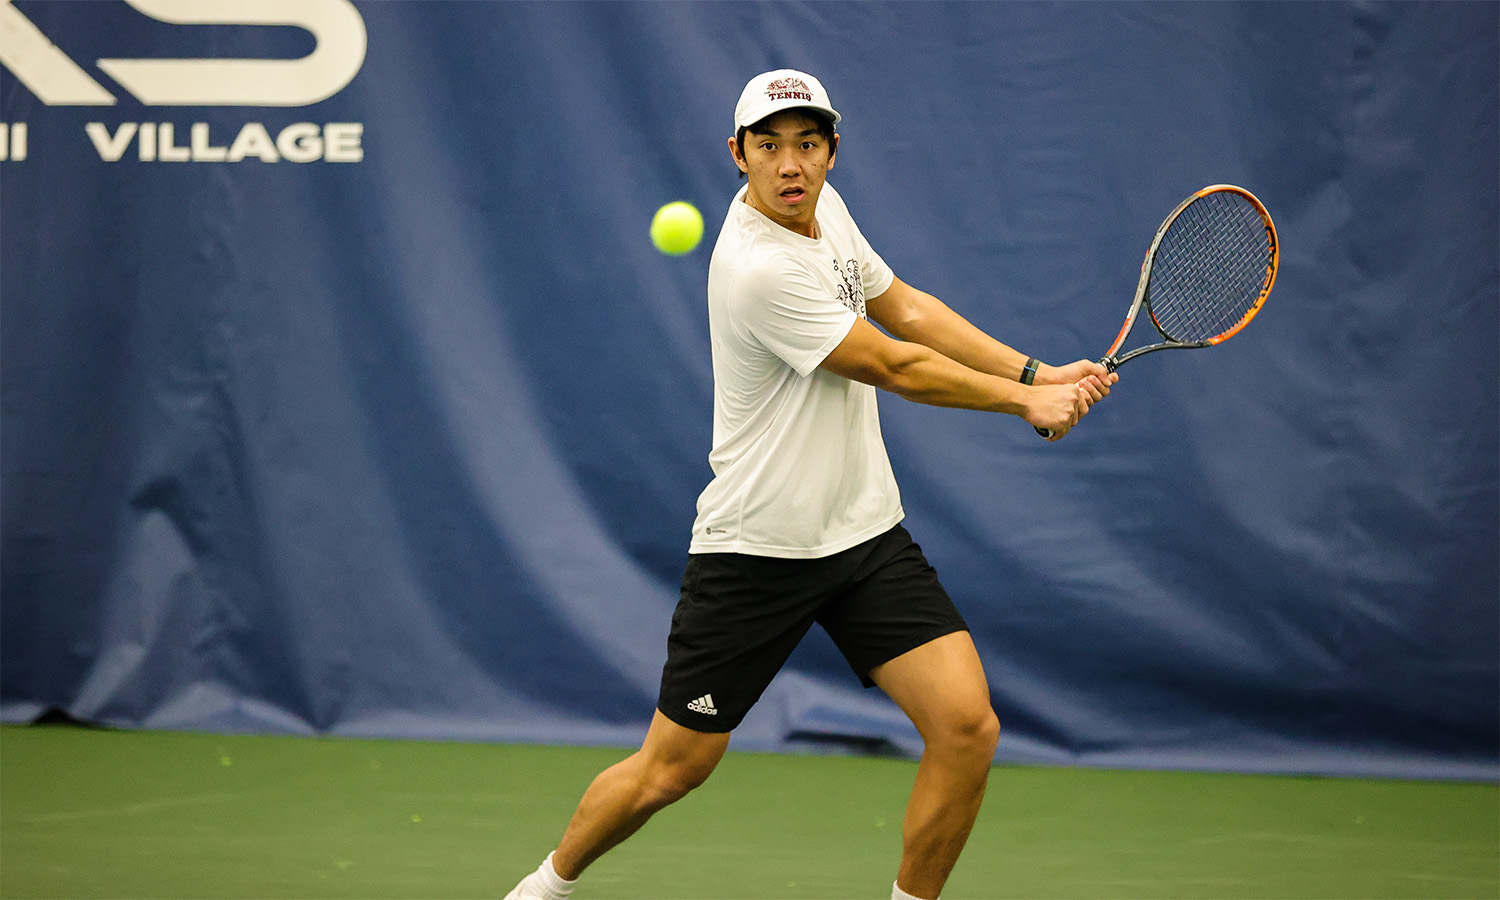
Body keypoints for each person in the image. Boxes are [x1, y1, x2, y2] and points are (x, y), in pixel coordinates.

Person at [507, 69, 1116, 900]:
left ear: (832, 151)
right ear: (739, 155)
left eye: (808, 143)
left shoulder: (824, 211)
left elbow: (906, 310)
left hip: (863, 536)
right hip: (756, 551)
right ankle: (543, 888)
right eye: (770, 146)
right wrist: (1025, 403)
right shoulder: (758, 268)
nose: (791, 165)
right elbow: (894, 365)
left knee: (966, 727)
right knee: (669, 771)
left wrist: (1035, 369)